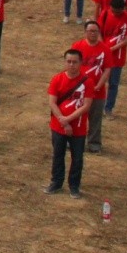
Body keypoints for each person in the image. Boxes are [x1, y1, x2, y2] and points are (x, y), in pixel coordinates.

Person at [46, 49, 93, 198]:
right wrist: (63, 121)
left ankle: (74, 186)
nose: (71, 65)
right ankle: (56, 182)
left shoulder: (87, 82)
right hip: (58, 126)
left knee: (77, 158)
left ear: (80, 63)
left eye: (75, 62)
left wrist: (69, 119)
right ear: (65, 62)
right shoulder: (57, 79)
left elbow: (86, 105)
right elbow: (52, 103)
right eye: (69, 61)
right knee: (58, 155)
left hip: (78, 127)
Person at [71, 21, 112, 154]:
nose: (93, 33)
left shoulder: (105, 49)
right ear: (85, 32)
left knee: (95, 118)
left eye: (95, 31)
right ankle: (75, 142)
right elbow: (71, 66)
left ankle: (94, 144)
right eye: (90, 31)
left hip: (97, 91)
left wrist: (99, 85)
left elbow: (107, 69)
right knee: (77, 117)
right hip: (80, 90)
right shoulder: (78, 46)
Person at [96, 0, 127, 118]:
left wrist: (112, 48)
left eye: (119, 12)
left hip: (117, 58)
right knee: (98, 81)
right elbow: (98, 31)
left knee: (113, 84)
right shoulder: (105, 14)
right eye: (114, 11)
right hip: (102, 55)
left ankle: (108, 108)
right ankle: (96, 106)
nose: (116, 13)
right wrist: (102, 47)